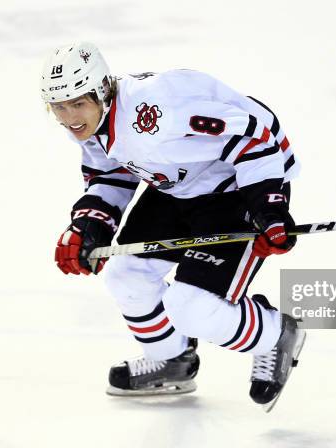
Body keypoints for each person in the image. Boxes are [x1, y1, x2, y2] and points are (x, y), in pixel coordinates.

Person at [41, 42, 306, 410]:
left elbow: (254, 137)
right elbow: (111, 172)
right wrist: (91, 225)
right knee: (127, 275)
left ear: (102, 91)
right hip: (178, 186)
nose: (69, 116)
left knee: (191, 307)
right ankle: (172, 361)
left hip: (237, 187)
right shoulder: (95, 121)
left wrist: (268, 207)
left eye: (78, 103)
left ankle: (274, 334)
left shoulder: (155, 112)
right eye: (59, 106)